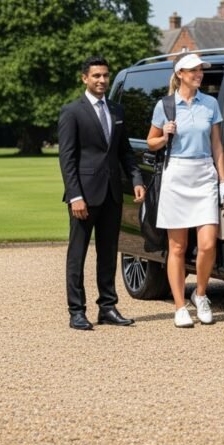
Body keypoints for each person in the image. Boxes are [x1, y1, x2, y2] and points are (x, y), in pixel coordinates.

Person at [58, 55, 145, 330]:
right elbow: (67, 159)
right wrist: (75, 196)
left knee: (108, 252)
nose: (102, 80)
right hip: (83, 196)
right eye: (96, 76)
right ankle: (76, 311)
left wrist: (136, 179)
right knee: (78, 254)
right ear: (85, 78)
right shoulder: (72, 111)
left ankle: (107, 307)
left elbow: (125, 152)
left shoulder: (117, 111)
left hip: (112, 194)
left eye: (105, 75)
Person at [146, 53, 224, 327]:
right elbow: (151, 143)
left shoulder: (211, 104)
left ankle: (201, 294)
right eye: (193, 70)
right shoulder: (165, 105)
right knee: (178, 246)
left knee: (207, 243)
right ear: (180, 73)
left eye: (200, 71)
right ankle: (180, 306)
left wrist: (223, 182)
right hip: (176, 174)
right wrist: (165, 134)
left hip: (204, 174)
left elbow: (217, 145)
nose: (199, 74)